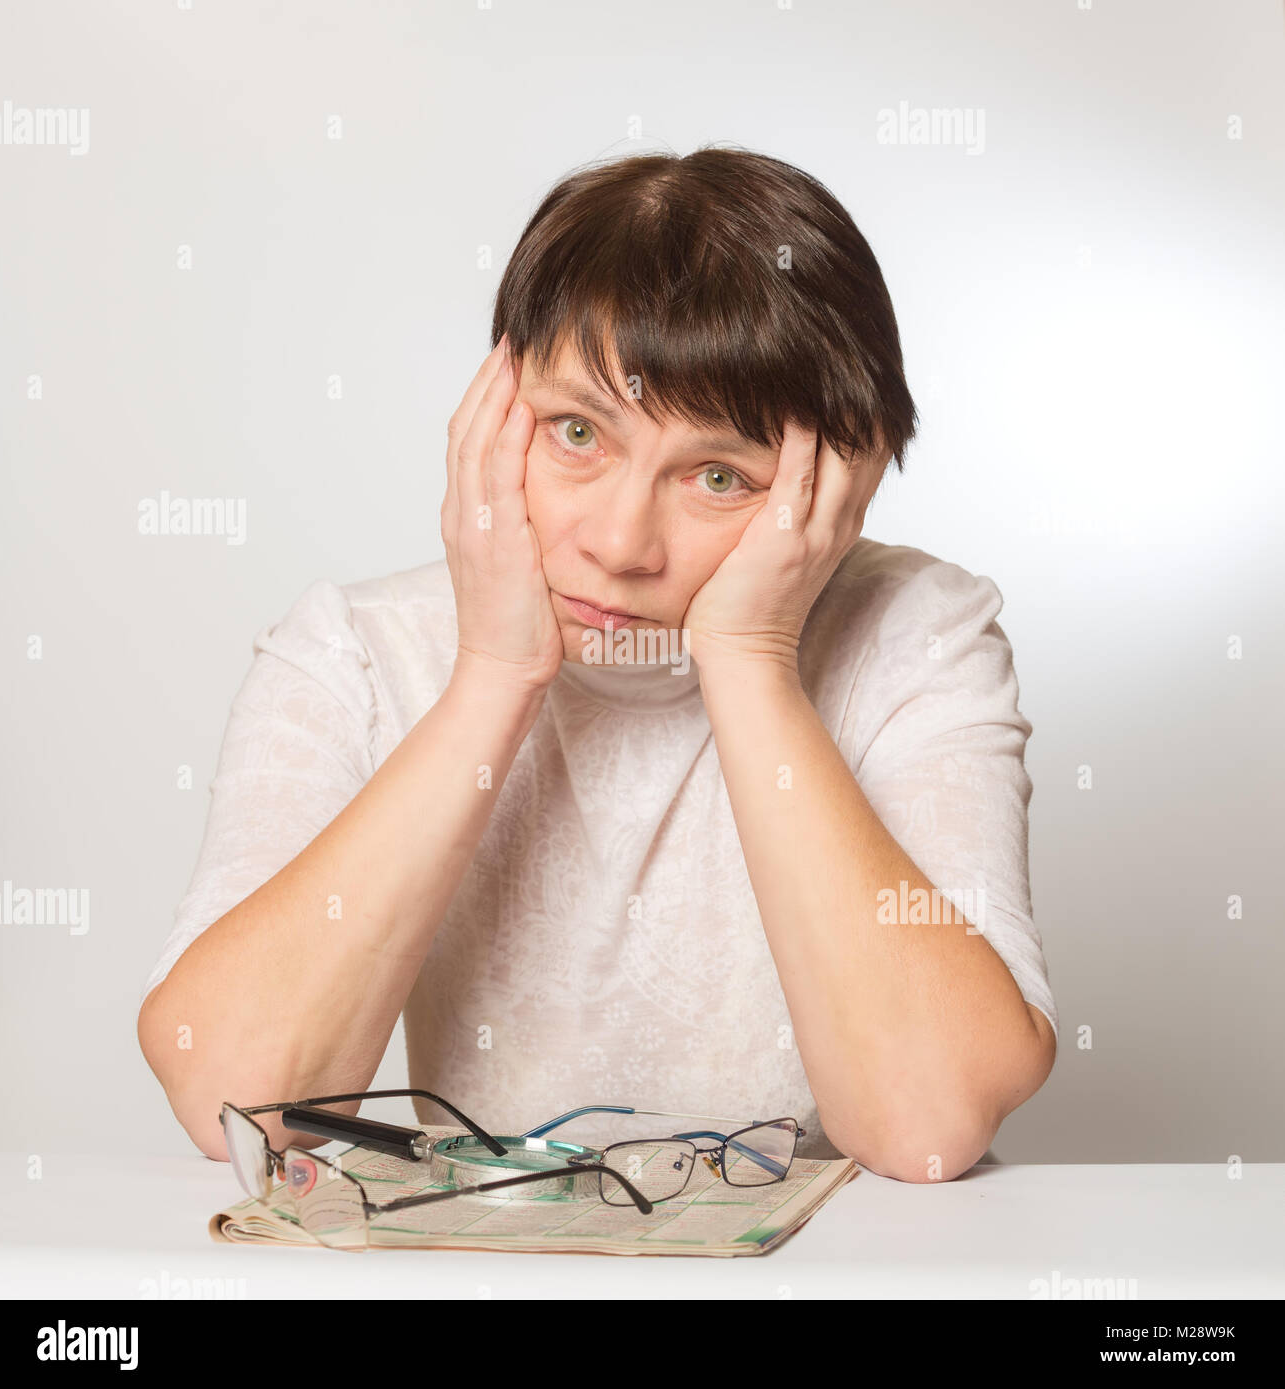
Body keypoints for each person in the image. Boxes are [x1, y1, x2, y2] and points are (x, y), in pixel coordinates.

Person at [137, 146, 1056, 1183]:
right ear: (494, 409)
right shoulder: (353, 649)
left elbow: (925, 1124)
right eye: (576, 431)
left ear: (838, 481)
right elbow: (234, 1103)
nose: (620, 542)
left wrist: (749, 660)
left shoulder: (914, 635)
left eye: (717, 474)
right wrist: (491, 675)